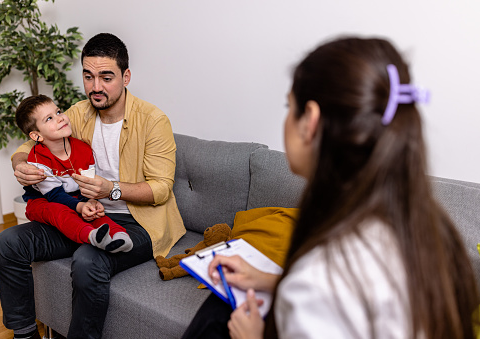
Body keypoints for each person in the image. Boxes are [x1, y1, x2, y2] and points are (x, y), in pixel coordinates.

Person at [183, 37, 479, 339]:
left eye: (290, 105)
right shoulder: (430, 231)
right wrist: (268, 279)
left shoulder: (321, 277)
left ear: (310, 121)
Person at [0, 33, 186, 339]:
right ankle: (26, 334)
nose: (96, 87)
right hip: (82, 214)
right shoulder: (79, 113)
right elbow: (26, 144)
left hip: (137, 222)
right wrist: (21, 166)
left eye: (106, 77)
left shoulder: (153, 120)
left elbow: (161, 189)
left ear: (126, 77)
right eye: (88, 76)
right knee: (8, 244)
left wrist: (111, 189)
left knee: (87, 260)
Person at [15, 94, 133, 252]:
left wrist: (90, 201)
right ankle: (92, 236)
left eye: (58, 112)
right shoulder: (38, 159)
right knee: (59, 211)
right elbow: (54, 195)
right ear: (37, 136)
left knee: (95, 211)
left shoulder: (83, 148)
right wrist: (80, 206)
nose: (60, 118)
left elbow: (88, 181)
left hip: (75, 196)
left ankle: (121, 236)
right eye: (49, 118)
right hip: (44, 201)